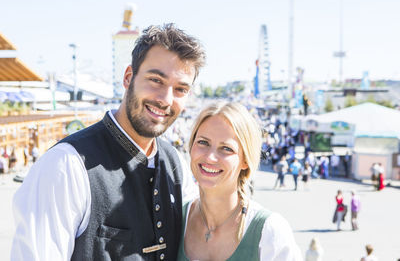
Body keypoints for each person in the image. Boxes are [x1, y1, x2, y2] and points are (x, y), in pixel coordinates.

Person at [12, 23, 205, 261]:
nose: (165, 99)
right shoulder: (66, 165)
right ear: (128, 77)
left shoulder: (175, 164)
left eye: (180, 89)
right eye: (156, 80)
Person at [177, 102, 302, 260]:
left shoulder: (269, 232)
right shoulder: (174, 218)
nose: (210, 157)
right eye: (203, 142)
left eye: (226, 148)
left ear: (245, 161)